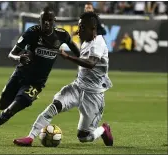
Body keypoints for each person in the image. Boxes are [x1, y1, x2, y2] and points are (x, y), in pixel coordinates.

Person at [0, 6, 80, 140]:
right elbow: (11, 54)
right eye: (44, 20)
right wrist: (19, 58)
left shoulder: (62, 35)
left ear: (54, 20)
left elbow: (78, 53)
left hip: (35, 84)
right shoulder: (31, 32)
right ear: (40, 20)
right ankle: (20, 99)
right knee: (1, 105)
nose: (46, 23)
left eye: (49, 20)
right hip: (19, 75)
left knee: (9, 111)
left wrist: (85, 66)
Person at [14, 12, 113, 147]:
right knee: (54, 106)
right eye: (79, 26)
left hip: (94, 95)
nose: (79, 31)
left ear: (93, 29)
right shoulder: (87, 40)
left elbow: (90, 63)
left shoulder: (98, 44)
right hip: (78, 87)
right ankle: (30, 137)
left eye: (82, 27)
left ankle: (103, 130)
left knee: (84, 137)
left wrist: (67, 57)